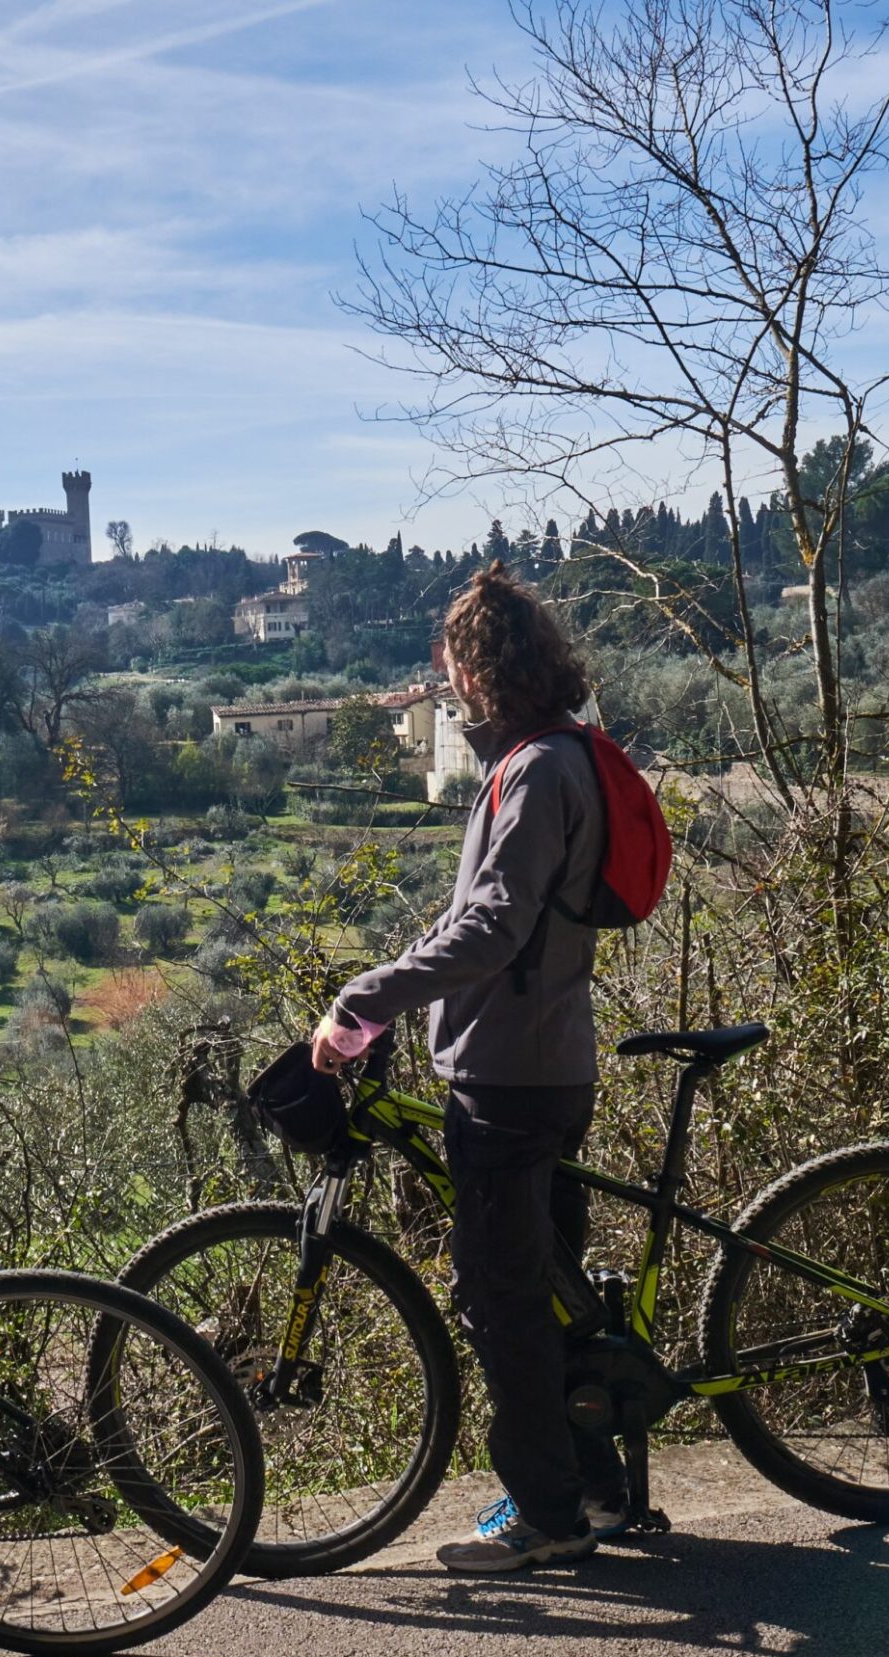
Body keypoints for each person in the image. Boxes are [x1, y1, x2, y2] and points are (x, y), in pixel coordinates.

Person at [312, 562, 627, 1573]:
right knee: (556, 1289)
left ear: (478, 666)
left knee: (504, 1304)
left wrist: (366, 998)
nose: (443, 676)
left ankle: (547, 1516)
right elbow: (478, 919)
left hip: (511, 1077)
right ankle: (598, 1487)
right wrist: (407, 986)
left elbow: (492, 929)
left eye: (450, 659)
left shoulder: (536, 770)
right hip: (541, 1060)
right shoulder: (554, 755)